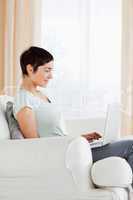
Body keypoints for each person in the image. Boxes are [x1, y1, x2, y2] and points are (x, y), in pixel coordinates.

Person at [13, 46, 133, 186]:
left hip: (71, 149)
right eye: (47, 70)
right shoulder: (24, 100)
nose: (51, 76)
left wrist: (80, 139)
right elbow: (35, 145)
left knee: (127, 141)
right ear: (30, 69)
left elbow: (53, 134)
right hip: (64, 156)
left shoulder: (41, 95)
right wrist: (74, 143)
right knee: (131, 145)